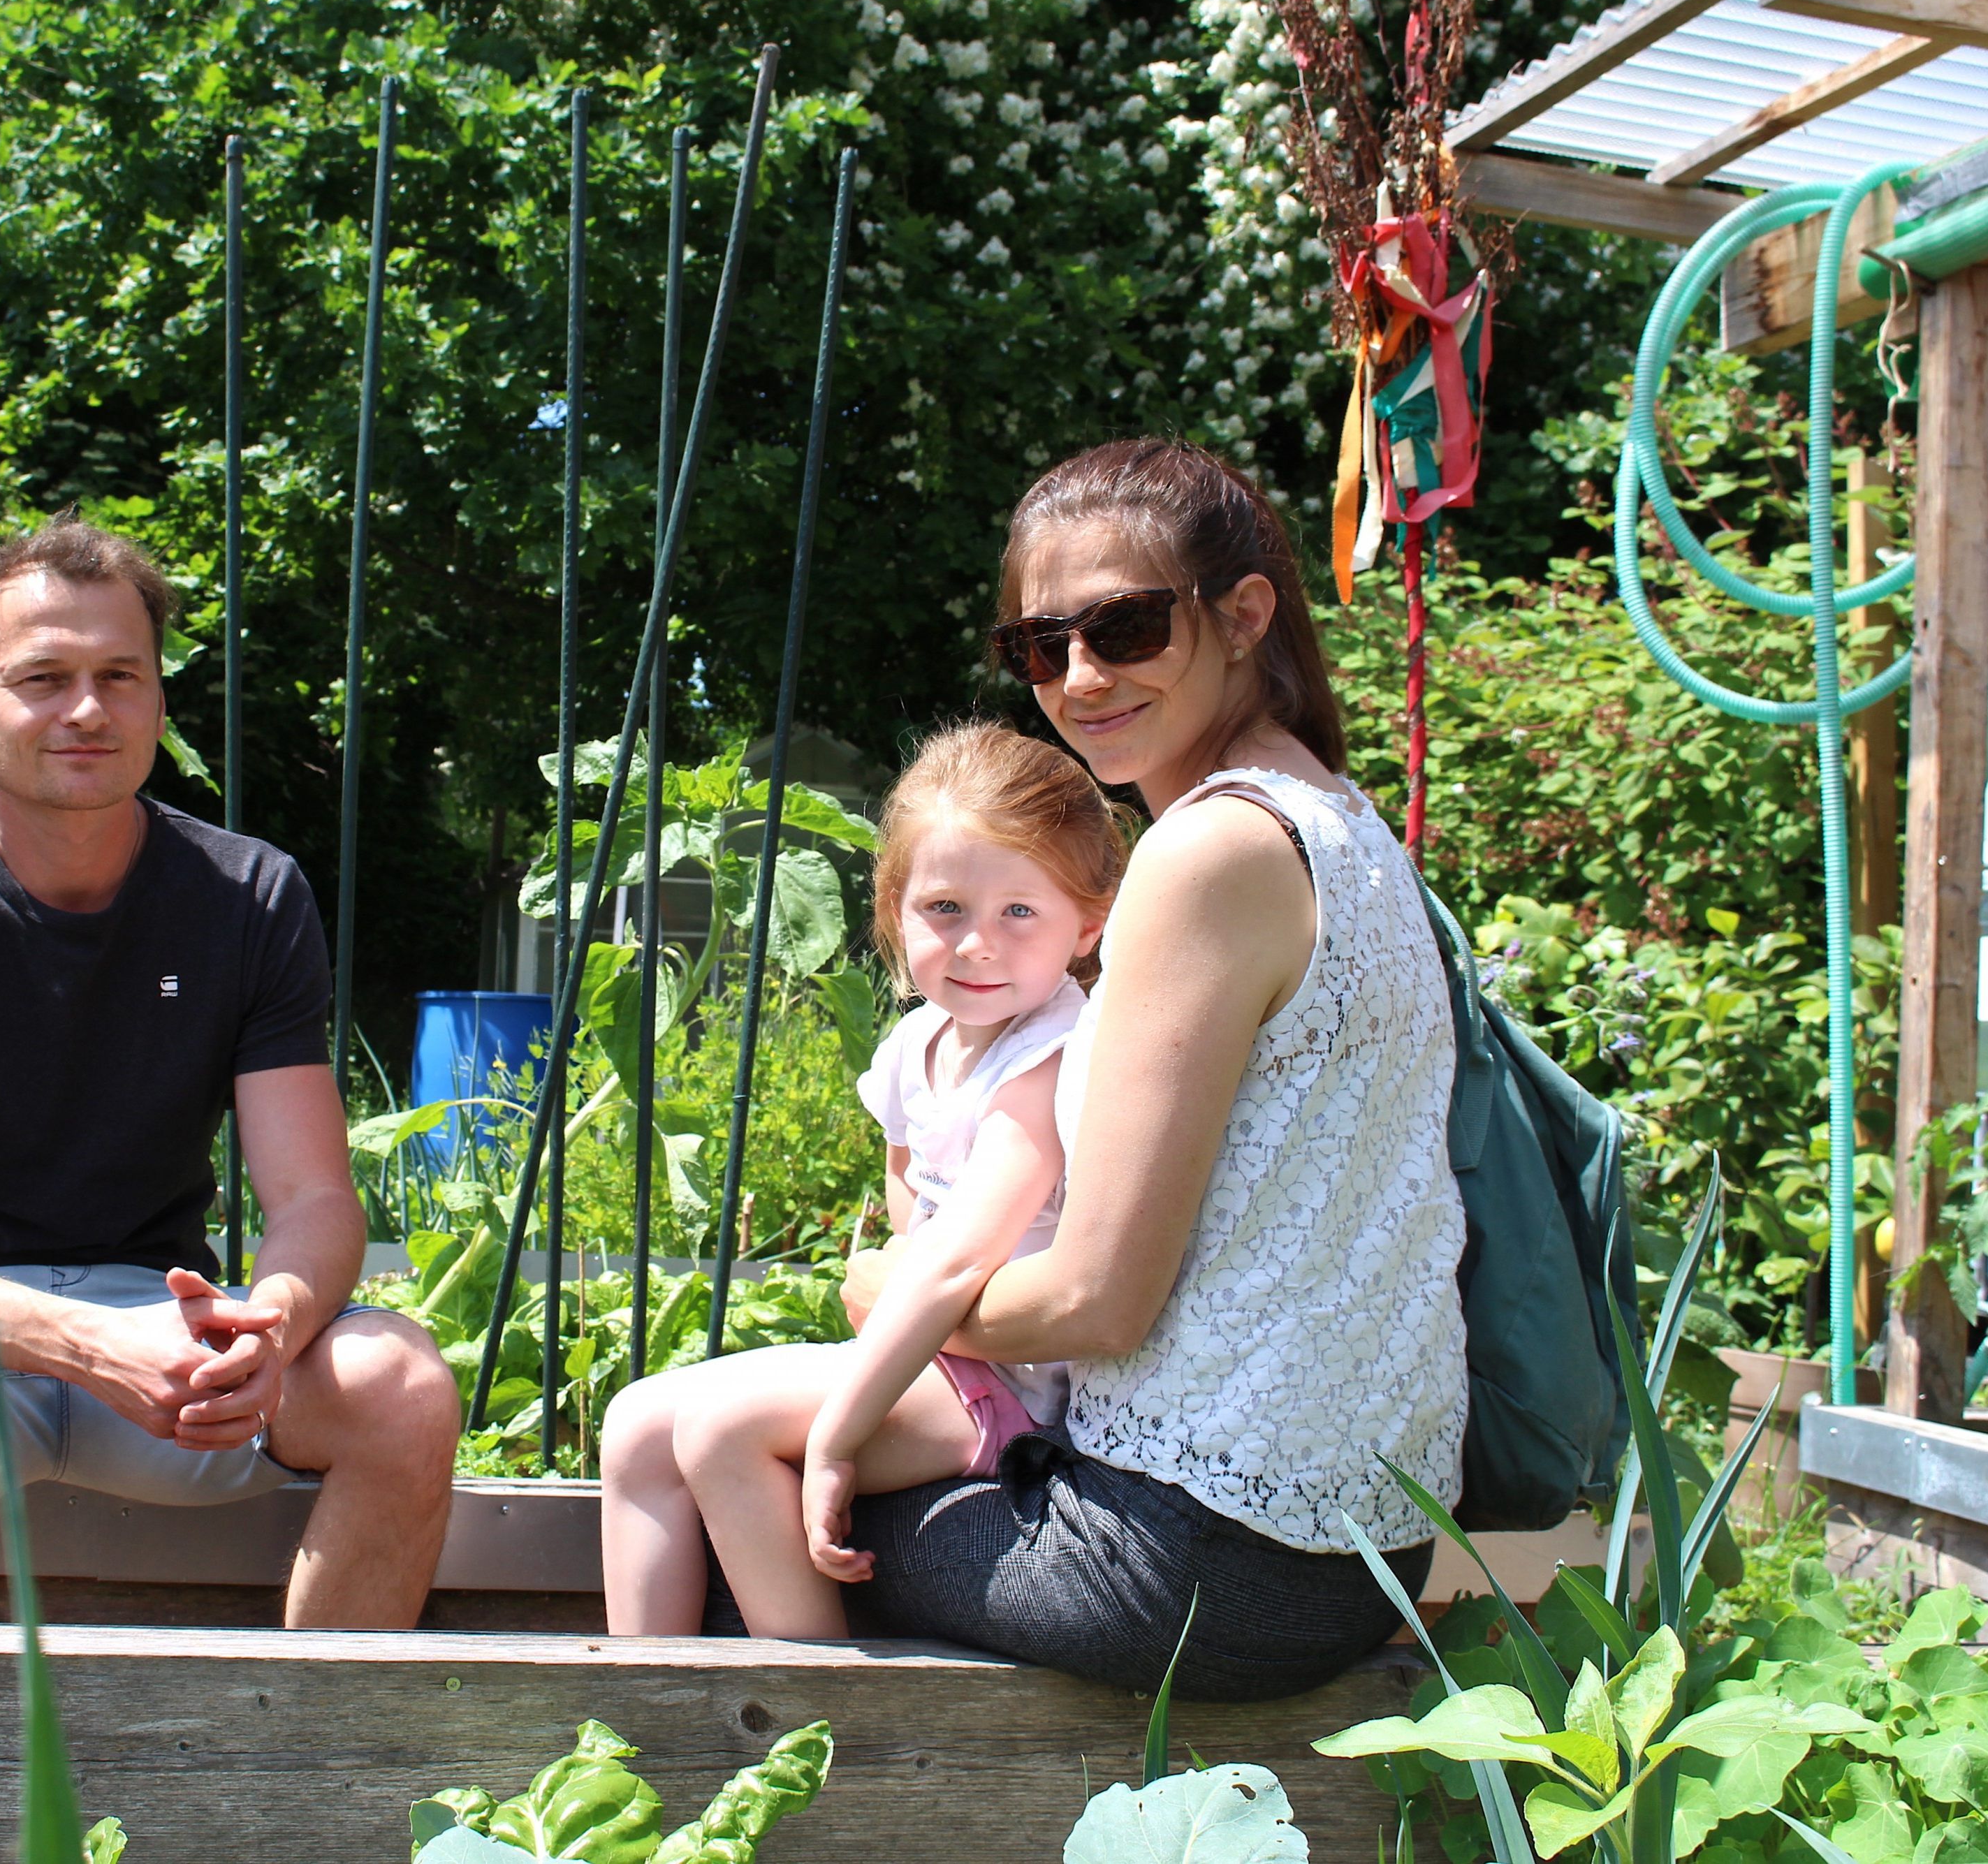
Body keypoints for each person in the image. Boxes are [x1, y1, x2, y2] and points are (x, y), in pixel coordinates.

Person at [620, 438, 1469, 1701]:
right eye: (1038, 645)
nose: (1078, 676)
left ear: (1243, 617)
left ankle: (775, 1809)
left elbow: (1094, 1306)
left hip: (1195, 1556)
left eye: (1123, 626)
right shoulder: (1340, 822)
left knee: (723, 1473)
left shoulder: (1207, 854)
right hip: (1353, 1539)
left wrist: (890, 1298)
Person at [0, 516, 462, 1627]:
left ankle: (308, 1779)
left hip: (169, 1331)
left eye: (119, 676)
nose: (86, 710)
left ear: (157, 699)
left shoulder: (248, 896)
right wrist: (83, 1345)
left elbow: (312, 1199)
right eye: (41, 678)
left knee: (401, 1382)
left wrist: (276, 1325)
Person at [599, 724, 1124, 1638]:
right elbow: (908, 1208)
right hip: (933, 1360)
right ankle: (644, 1704)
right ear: (894, 911)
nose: (977, 945)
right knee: (637, 1421)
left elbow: (956, 1262)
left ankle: (808, 1722)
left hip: (1009, 1392)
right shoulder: (914, 1046)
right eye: (945, 909)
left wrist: (838, 1437)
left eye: (1019, 913)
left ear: (1087, 922)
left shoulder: (1047, 1061)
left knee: (722, 1427)